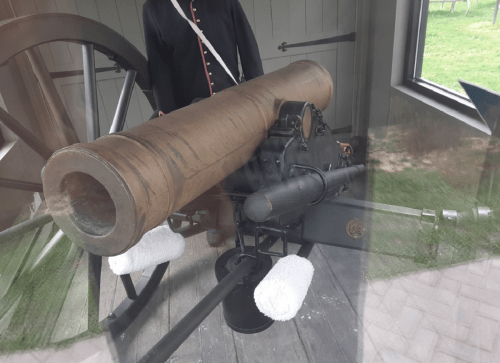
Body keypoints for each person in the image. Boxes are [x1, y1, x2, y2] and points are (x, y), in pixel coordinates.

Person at [143, 0, 264, 115]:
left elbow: (247, 44)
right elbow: (159, 70)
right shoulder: (154, 8)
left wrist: (258, 92)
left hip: (232, 100)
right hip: (191, 112)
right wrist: (169, 116)